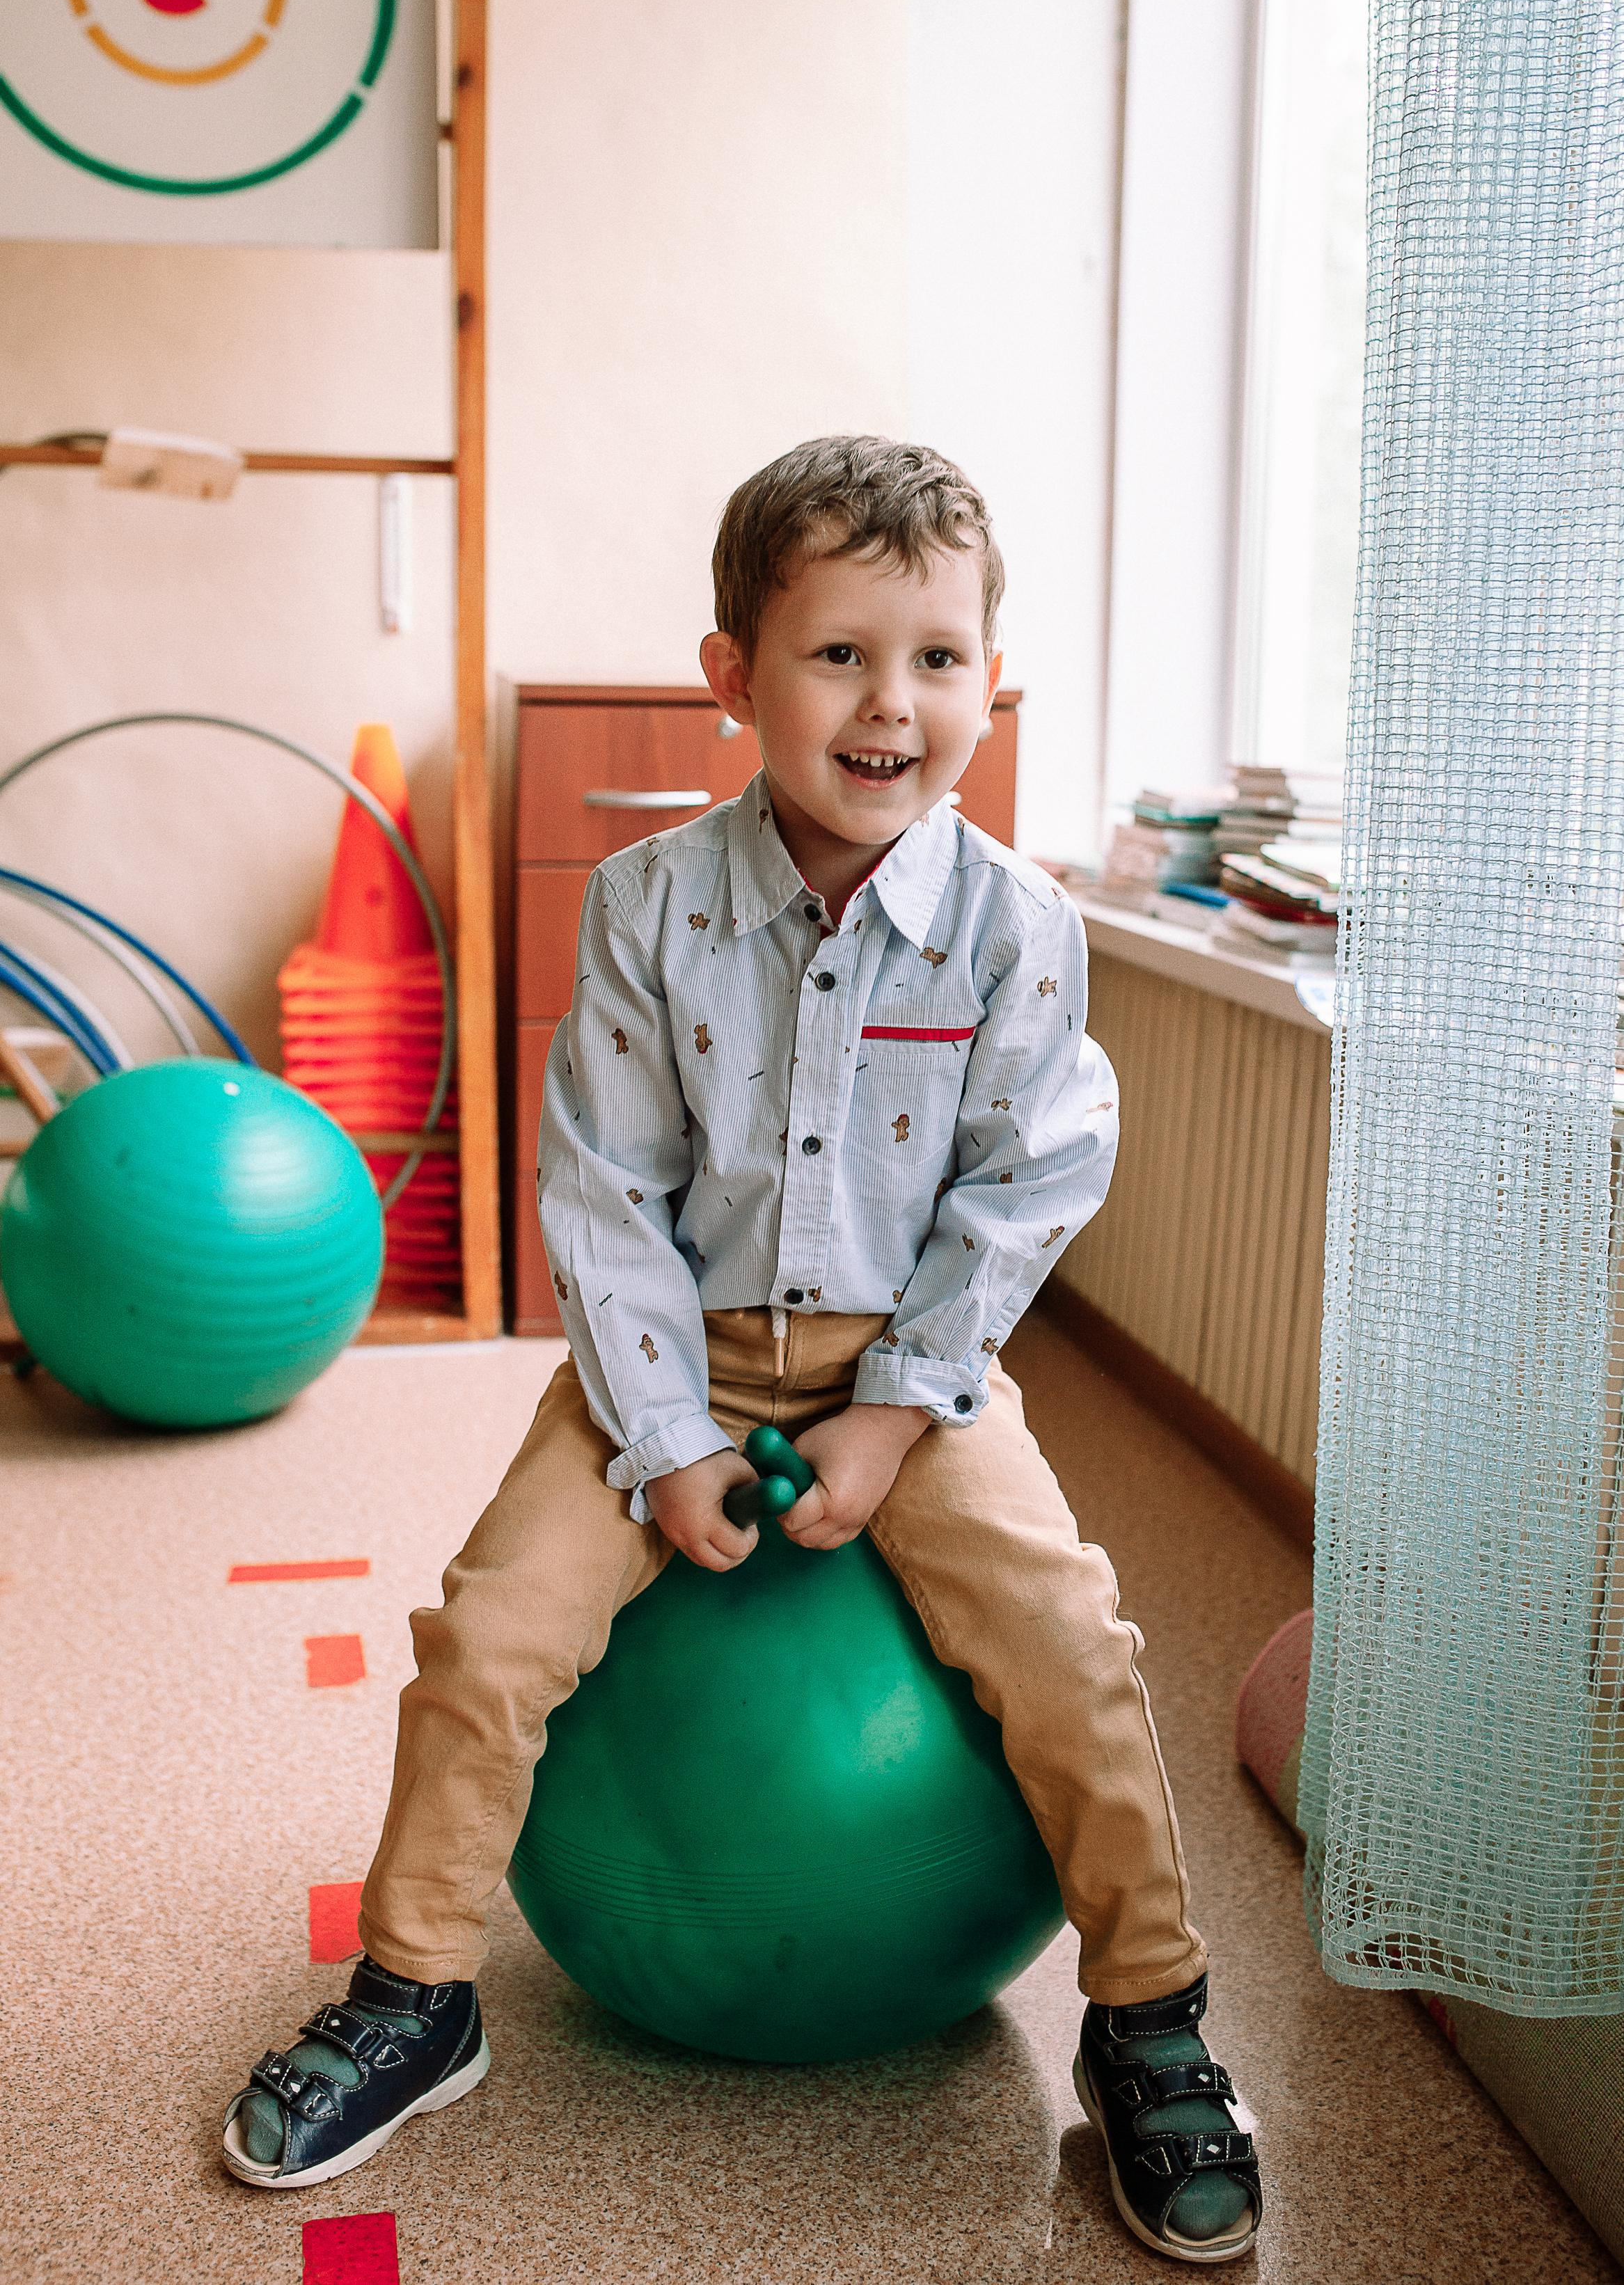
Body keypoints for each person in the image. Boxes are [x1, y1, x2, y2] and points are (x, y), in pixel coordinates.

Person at [221, 435, 1261, 2263]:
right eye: (838, 654)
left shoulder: (1017, 925)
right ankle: (417, 1988)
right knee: (490, 1632)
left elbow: (1028, 1187)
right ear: (735, 674)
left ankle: (1149, 2013)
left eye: (936, 658)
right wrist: (665, 1434)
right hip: (672, 1349)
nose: (891, 703)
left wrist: (897, 1412)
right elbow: (605, 1189)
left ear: (991, 680)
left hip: (911, 1366)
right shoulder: (648, 904)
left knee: (1076, 1638)